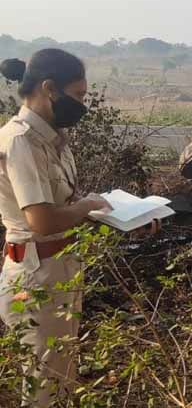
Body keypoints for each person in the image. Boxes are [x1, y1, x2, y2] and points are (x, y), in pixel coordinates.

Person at [0, 50, 113, 406]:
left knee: (60, 376)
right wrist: (87, 207)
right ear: (49, 88)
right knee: (44, 387)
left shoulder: (54, 140)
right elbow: (42, 220)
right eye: (77, 95)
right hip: (34, 278)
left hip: (59, 269)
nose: (82, 104)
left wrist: (115, 218)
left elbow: (64, 211)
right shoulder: (21, 140)